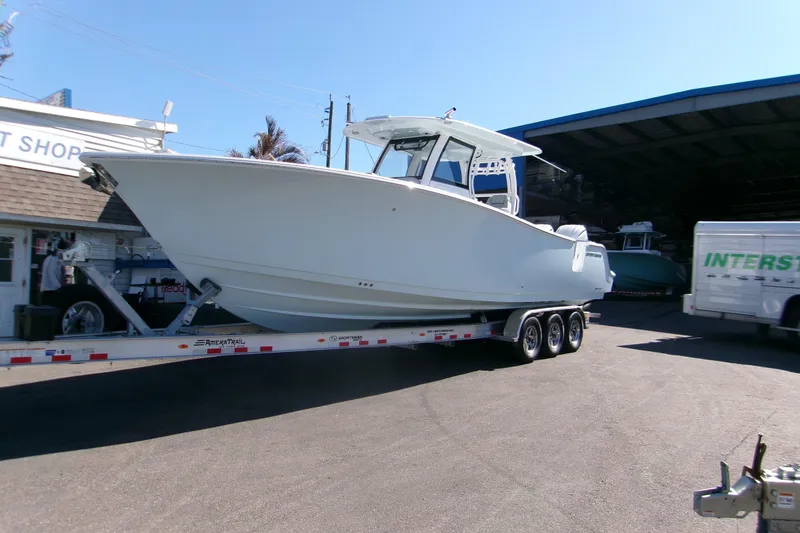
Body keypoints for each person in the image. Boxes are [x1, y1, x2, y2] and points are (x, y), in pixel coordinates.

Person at [38, 240, 68, 305]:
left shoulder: (48, 258)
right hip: (54, 290)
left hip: (45, 290)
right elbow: (58, 275)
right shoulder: (58, 260)